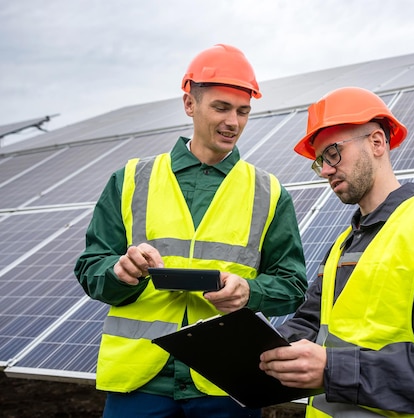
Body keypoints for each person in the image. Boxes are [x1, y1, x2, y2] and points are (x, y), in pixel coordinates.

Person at [74, 44, 308, 418]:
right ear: (189, 104)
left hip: (227, 381)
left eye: (243, 111)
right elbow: (91, 269)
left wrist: (250, 291)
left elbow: (293, 286)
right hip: (140, 382)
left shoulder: (270, 193)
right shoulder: (131, 179)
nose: (233, 121)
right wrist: (119, 273)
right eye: (221, 107)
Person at [259, 86, 414, 417]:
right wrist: (249, 349)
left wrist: (333, 369)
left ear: (377, 143)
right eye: (320, 161)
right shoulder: (344, 244)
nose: (326, 170)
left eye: (334, 153)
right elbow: (311, 324)